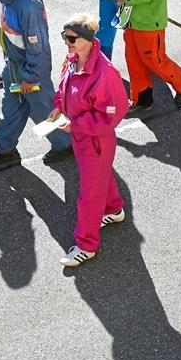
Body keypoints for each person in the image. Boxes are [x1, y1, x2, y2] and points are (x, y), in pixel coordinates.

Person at [49, 14, 131, 267]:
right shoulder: (73, 59)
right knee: (100, 178)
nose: (67, 43)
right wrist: (58, 106)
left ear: (87, 40)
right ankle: (114, 210)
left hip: (96, 142)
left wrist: (76, 125)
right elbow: (64, 86)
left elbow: (111, 115)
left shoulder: (105, 73)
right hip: (82, 137)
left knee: (89, 195)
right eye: (64, 37)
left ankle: (86, 245)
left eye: (71, 38)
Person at [0, 0, 73, 166]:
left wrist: (30, 77)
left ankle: (65, 145)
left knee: (45, 110)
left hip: (31, 72)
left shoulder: (28, 6)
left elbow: (38, 49)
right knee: (11, 109)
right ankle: (5, 149)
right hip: (14, 67)